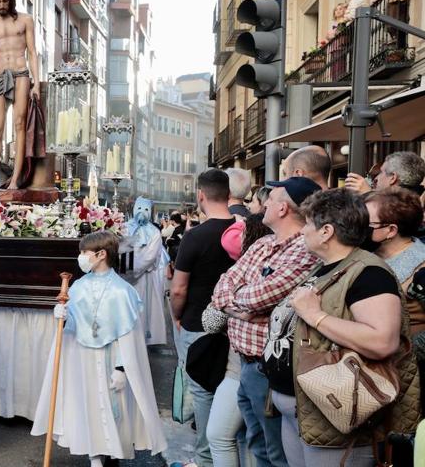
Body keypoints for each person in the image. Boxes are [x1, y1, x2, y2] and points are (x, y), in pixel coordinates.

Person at [265, 189, 419, 466]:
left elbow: (382, 341)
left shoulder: (370, 274)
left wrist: (315, 316)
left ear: (326, 231)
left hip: (335, 417)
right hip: (305, 411)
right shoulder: (328, 267)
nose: (302, 232)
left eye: (308, 224)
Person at [212, 177, 323, 467]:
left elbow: (260, 296)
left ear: (284, 208)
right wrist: (239, 304)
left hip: (268, 368)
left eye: (270, 199)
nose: (262, 205)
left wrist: (239, 301)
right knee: (257, 444)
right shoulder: (262, 242)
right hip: (245, 363)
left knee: (277, 452)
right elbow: (224, 285)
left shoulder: (304, 250)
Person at [32, 231, 167, 467]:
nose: (81, 257)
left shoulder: (122, 292)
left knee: (116, 410)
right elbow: (72, 326)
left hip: (112, 358)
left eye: (84, 252)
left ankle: (113, 454)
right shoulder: (78, 287)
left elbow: (130, 337)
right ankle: (94, 455)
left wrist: (122, 368)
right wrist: (62, 317)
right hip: (84, 358)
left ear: (101, 254)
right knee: (90, 405)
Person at [169, 169, 237, 467]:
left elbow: (178, 288)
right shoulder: (244, 230)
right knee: (231, 389)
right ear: (228, 194)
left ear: (200, 195)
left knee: (202, 391)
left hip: (197, 322)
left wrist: (177, 316)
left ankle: (205, 458)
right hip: (236, 323)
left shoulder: (195, 236)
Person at [0, 0, 44, 191]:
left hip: (20, 74)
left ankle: (15, 179)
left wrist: (36, 82)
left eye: (4, 1)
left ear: (11, 1)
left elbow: (32, 52)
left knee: (19, 125)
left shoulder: (25, 20)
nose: (1, 4)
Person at [364, 188, 425, 344]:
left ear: (391, 230)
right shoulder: (367, 253)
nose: (359, 225)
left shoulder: (420, 268)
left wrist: (403, 354)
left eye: (366, 222)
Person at [121, 197, 169, 346]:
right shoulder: (124, 227)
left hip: (143, 277)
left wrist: (134, 271)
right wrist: (125, 269)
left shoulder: (154, 232)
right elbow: (120, 249)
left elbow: (150, 256)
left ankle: (139, 341)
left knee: (141, 309)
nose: (142, 212)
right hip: (123, 276)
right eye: (139, 208)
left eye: (146, 209)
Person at [345, 150, 425, 196]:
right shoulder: (415, 200)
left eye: (381, 172)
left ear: (393, 178)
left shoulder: (405, 205)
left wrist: (368, 194)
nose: (376, 178)